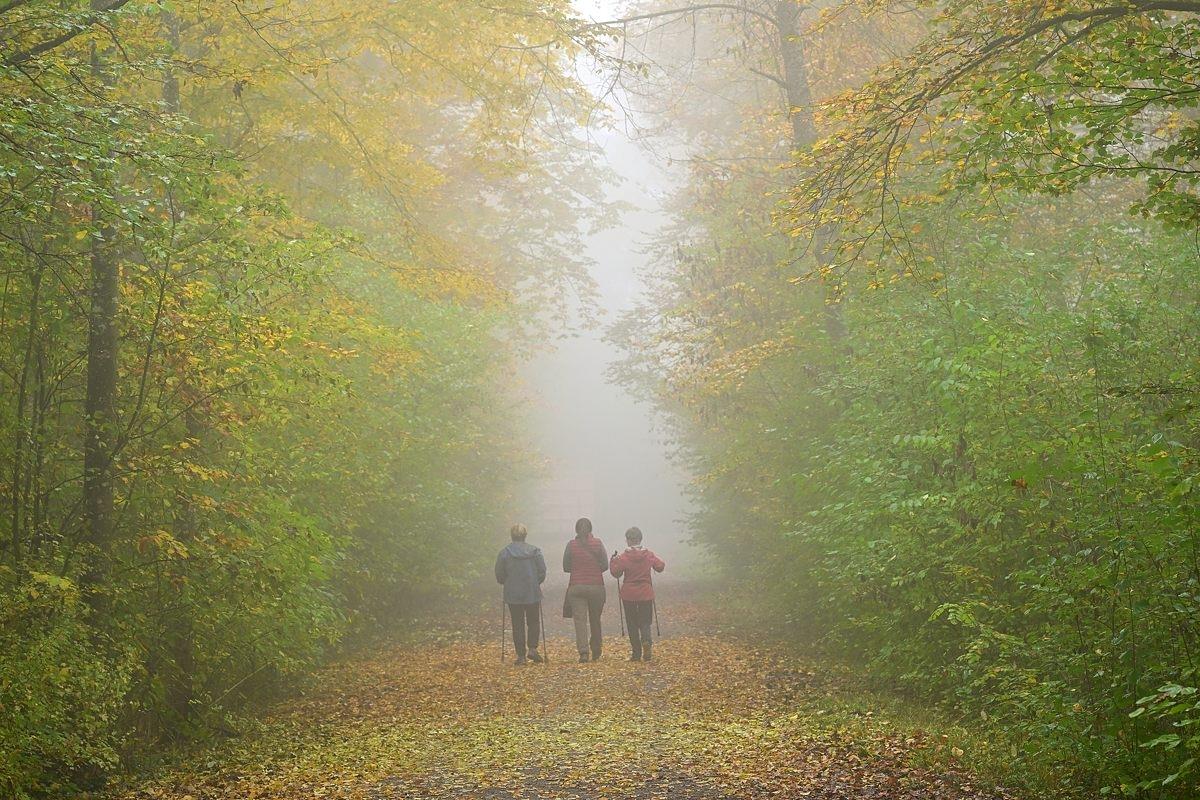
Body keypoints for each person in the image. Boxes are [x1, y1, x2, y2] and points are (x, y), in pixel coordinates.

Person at [609, 526, 665, 662]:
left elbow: (616, 573)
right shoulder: (649, 554)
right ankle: (646, 641)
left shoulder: (623, 557)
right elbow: (660, 566)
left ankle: (636, 653)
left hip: (629, 594)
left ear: (628, 541)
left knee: (632, 623)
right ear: (641, 539)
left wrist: (613, 560)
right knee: (645, 621)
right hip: (645, 593)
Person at [495, 523, 546, 665]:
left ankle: (521, 656)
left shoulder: (505, 552)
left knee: (517, 623)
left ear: (512, 536)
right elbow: (542, 571)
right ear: (525, 536)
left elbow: (499, 574)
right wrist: (536, 582)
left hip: (513, 594)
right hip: (532, 592)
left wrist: (506, 582)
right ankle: (533, 648)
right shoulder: (535, 551)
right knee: (533, 621)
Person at [562, 517, 608, 662]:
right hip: (596, 587)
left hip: (576, 587)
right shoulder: (598, 543)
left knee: (580, 621)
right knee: (595, 619)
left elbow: (566, 567)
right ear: (590, 529)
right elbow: (605, 565)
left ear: (576, 529)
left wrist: (577, 568)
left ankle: (583, 652)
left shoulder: (571, 545)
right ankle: (596, 649)